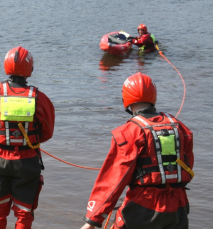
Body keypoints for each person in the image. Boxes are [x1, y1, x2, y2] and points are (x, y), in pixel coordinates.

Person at [80, 72, 194, 229]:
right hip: (178, 206)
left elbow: (113, 180)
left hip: (144, 207)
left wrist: (93, 219)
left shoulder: (129, 132)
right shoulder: (180, 127)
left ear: (125, 98)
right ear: (153, 96)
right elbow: (188, 166)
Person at [0, 46, 55, 229]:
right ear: (30, 69)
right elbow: (47, 132)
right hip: (27, 162)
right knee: (24, 213)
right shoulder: (40, 98)